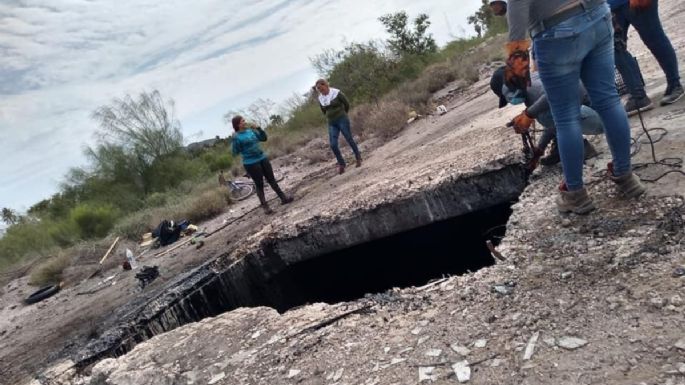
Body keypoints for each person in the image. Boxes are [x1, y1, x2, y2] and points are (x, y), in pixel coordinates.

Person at [507, 0, 645, 215]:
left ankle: (575, 194)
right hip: (598, 15)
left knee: (565, 117)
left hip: (557, 32)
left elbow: (517, 5)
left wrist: (516, 54)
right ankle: (626, 176)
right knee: (609, 101)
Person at [490, 66, 601, 166]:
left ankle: (580, 147)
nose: (510, 101)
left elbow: (555, 95)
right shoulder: (529, 82)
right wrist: (540, 148)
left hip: (601, 117)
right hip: (593, 111)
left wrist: (529, 114)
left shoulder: (532, 88)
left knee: (545, 115)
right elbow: (552, 124)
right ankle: (561, 148)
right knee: (545, 113)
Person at [610, 0, 683, 115]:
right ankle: (638, 97)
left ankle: (675, 84)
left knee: (654, 39)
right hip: (609, 6)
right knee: (615, 49)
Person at [231, 115, 293, 214]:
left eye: (244, 120)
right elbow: (235, 152)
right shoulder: (237, 137)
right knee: (259, 185)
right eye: (243, 121)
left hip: (262, 158)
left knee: (272, 180)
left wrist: (259, 128)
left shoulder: (250, 131)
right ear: (238, 124)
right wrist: (234, 140)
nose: (245, 122)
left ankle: (283, 198)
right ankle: (265, 207)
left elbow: (264, 138)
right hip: (251, 163)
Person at [314, 79, 362, 175]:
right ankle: (341, 164)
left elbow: (346, 104)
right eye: (318, 89)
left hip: (342, 119)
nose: (320, 90)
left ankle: (358, 157)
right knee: (333, 144)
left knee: (349, 138)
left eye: (321, 87)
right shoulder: (321, 98)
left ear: (325, 85)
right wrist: (330, 116)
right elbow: (324, 111)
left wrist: (343, 114)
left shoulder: (336, 93)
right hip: (332, 123)